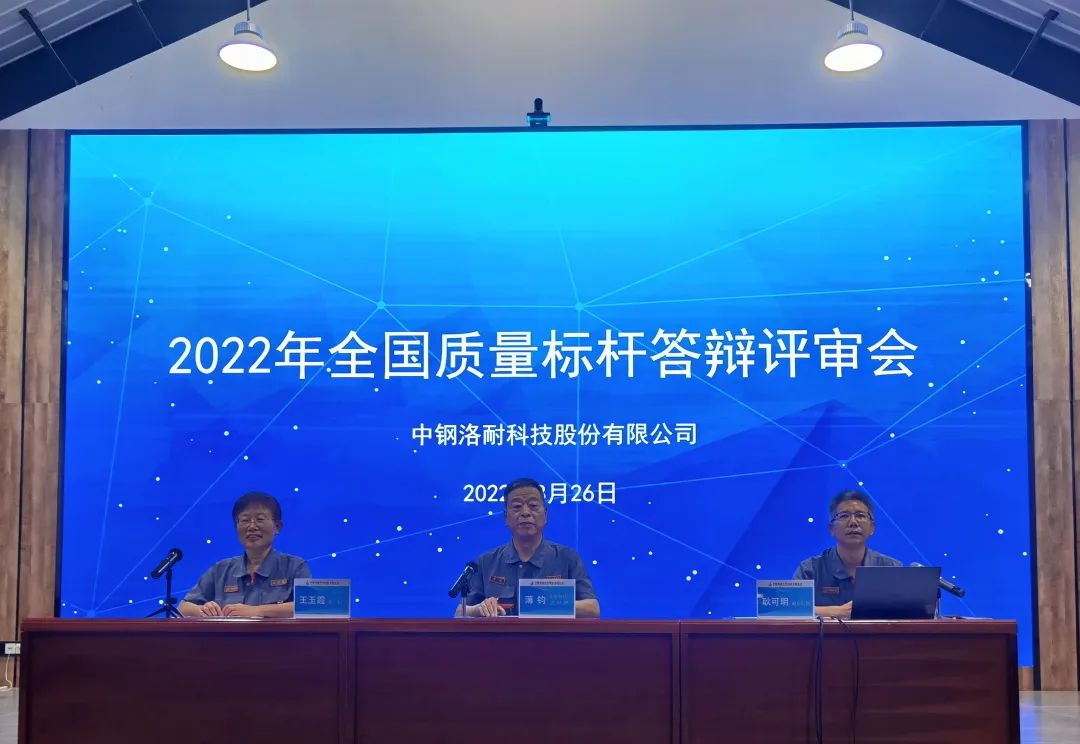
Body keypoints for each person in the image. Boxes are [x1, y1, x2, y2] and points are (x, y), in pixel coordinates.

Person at [457, 478, 600, 618]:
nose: (525, 512)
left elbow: (593, 609)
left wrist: (547, 603)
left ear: (545, 514)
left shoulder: (567, 558)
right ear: (506, 517)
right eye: (517, 506)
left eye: (533, 505)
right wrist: (479, 608)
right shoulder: (487, 561)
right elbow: (460, 612)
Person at [178, 491, 311, 618]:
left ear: (277, 526)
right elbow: (183, 608)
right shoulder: (220, 570)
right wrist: (203, 610)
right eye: (245, 520)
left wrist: (256, 611)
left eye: (260, 519)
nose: (252, 527)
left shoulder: (295, 566)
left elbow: (311, 606)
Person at [793, 490, 901, 619]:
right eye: (844, 516)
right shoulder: (810, 570)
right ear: (831, 529)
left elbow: (906, 615)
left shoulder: (891, 568)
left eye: (860, 515)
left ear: (872, 528)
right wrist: (838, 612)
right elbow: (790, 610)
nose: (853, 522)